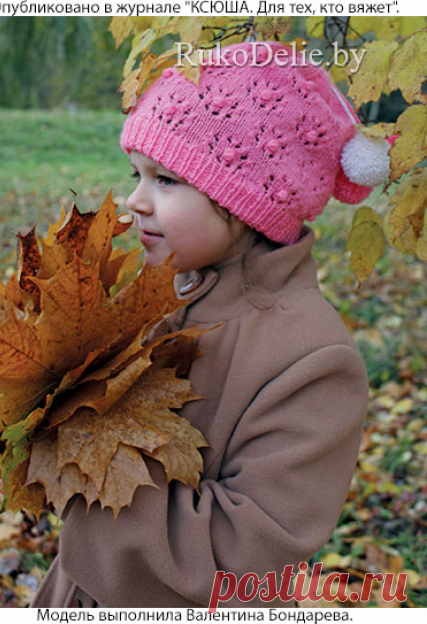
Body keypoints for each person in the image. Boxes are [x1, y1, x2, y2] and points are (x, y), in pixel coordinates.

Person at [32, 40, 390, 609]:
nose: (134, 200)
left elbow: (248, 551)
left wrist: (86, 459)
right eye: (137, 174)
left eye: (167, 181)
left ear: (248, 203)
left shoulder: (311, 358)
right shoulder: (159, 293)